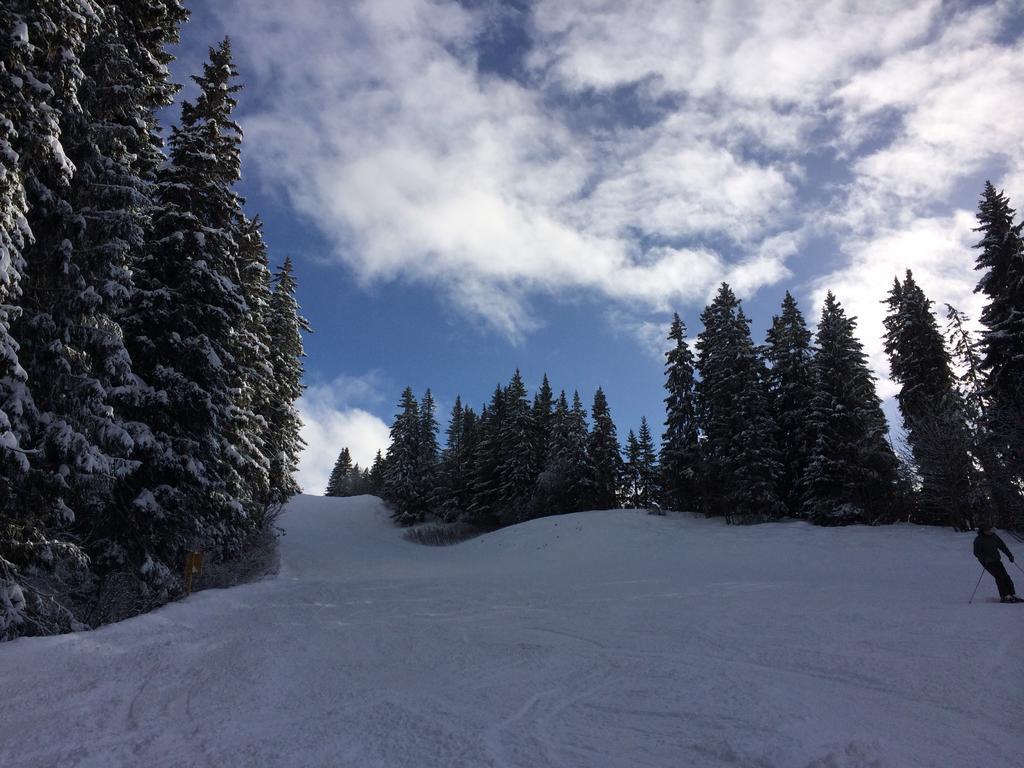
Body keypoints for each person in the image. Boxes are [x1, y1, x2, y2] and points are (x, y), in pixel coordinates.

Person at [974, 522, 1020, 603]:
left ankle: (1012, 594)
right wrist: (985, 559)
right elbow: (977, 553)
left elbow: (1002, 546)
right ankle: (1005, 596)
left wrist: (1009, 555)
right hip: (987, 563)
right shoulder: (978, 540)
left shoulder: (994, 537)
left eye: (992, 530)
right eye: (989, 530)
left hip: (996, 560)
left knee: (1006, 577)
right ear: (984, 531)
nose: (991, 531)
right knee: (1000, 577)